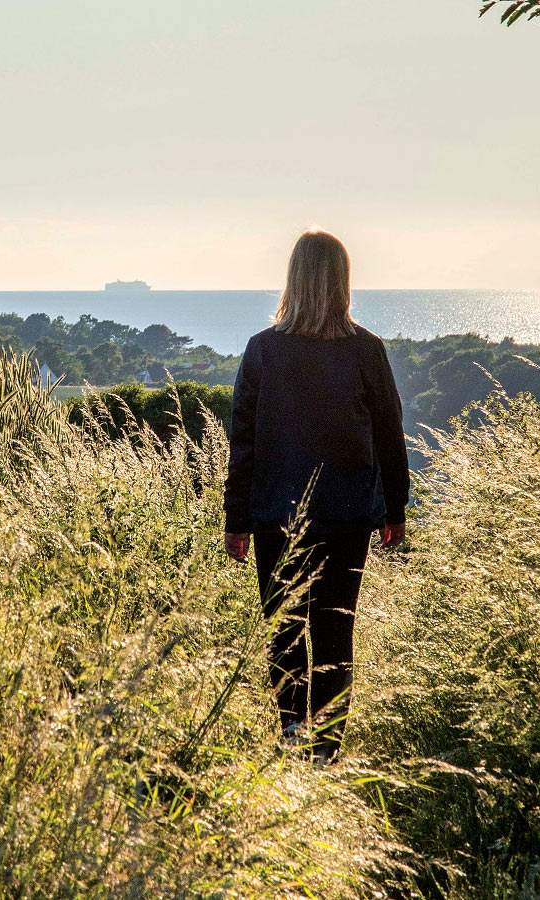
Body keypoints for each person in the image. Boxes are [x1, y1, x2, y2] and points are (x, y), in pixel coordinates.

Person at [222, 229, 408, 763]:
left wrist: (237, 521)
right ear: (343, 281)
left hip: (274, 518)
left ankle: (291, 738)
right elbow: (390, 437)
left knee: (284, 631)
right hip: (347, 517)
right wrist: (395, 509)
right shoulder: (366, 351)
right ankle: (326, 754)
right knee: (334, 634)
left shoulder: (263, 350)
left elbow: (244, 444)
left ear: (293, 279)